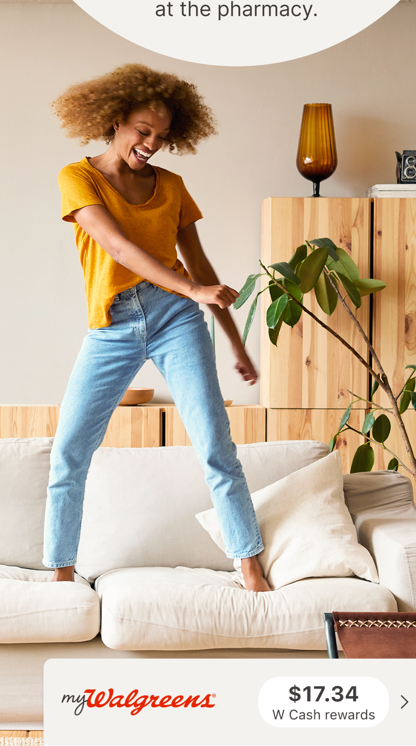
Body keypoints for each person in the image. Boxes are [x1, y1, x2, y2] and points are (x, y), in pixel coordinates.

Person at [43, 63, 270, 592]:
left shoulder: (172, 186)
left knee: (215, 445)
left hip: (176, 320)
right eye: (143, 131)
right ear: (115, 119)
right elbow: (118, 246)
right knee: (69, 452)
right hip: (114, 324)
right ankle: (60, 574)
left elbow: (203, 268)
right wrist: (191, 287)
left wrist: (235, 342)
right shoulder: (78, 178)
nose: (151, 144)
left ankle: (250, 566)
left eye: (162, 137)